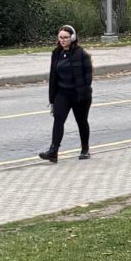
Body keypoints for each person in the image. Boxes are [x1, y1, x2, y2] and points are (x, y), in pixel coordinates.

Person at [39, 23, 93, 160]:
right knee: (58, 120)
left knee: (81, 121)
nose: (63, 40)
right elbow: (53, 76)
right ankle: (53, 151)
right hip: (62, 93)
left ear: (73, 38)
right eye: (61, 37)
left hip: (79, 94)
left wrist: (84, 92)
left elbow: (88, 76)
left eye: (66, 37)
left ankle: (85, 149)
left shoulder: (81, 54)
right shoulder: (56, 53)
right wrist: (52, 98)